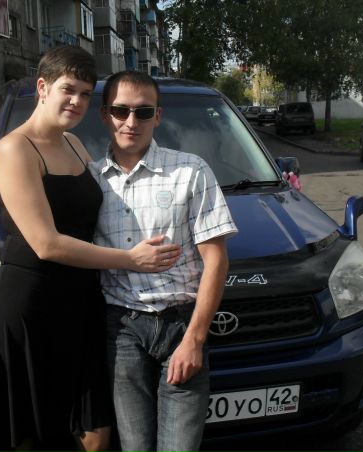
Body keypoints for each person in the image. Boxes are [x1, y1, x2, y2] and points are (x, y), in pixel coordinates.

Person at [0, 47, 180, 452]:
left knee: (95, 435)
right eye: (68, 89)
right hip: (31, 305)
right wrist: (131, 259)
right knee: (37, 434)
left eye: (86, 94)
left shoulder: (73, 144)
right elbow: (46, 243)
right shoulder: (15, 149)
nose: (77, 101)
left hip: (82, 303)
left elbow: (109, 209)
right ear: (43, 87)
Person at [90, 70, 238, 452]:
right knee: (134, 446)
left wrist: (195, 339)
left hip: (180, 327)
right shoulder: (90, 180)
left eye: (143, 112)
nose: (131, 121)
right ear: (105, 114)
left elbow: (216, 260)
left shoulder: (190, 171)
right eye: (120, 110)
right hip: (122, 330)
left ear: (157, 116)